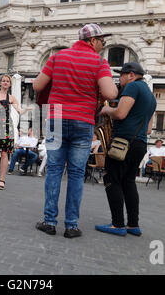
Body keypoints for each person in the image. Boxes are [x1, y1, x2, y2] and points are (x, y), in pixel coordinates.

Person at [33, 23, 118, 238]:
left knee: (53, 170)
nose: (102, 45)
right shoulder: (99, 61)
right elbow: (110, 92)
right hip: (83, 120)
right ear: (92, 41)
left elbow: (37, 86)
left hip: (57, 117)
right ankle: (71, 225)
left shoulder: (57, 57)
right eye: (101, 41)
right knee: (76, 173)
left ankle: (49, 222)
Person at [95, 62, 156, 237]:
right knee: (128, 182)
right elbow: (149, 129)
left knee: (111, 178)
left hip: (123, 142)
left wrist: (106, 109)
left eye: (121, 75)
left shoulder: (133, 87)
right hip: (140, 144)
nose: (119, 78)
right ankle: (133, 225)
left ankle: (117, 224)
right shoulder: (151, 96)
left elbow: (120, 113)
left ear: (131, 75)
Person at [0, 74, 30, 190]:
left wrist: (26, 109)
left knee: (4, 153)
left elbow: (19, 110)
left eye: (8, 81)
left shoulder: (11, 98)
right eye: (3, 81)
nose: (5, 82)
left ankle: (2, 180)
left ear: (10, 84)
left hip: (6, 126)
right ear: (0, 83)